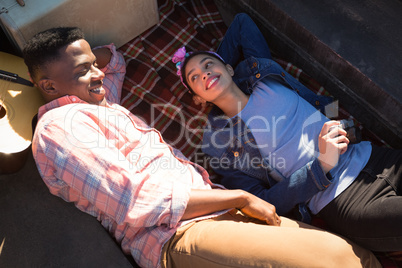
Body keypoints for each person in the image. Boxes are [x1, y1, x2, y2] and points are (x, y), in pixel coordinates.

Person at [23, 26, 381, 268]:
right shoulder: (61, 128)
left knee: (358, 256)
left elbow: (114, 62)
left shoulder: (99, 105)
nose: (97, 74)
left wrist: (79, 56)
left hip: (216, 206)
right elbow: (138, 203)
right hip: (174, 233)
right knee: (337, 260)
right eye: (84, 70)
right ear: (50, 87)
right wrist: (239, 198)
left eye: (91, 66)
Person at [174, 13, 402, 252]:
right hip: (345, 199)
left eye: (209, 65)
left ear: (230, 68)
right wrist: (322, 165)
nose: (205, 74)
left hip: (373, 157)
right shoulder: (218, 145)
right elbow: (264, 202)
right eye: (195, 77)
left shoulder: (262, 74)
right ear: (198, 99)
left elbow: (242, 23)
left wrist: (202, 63)